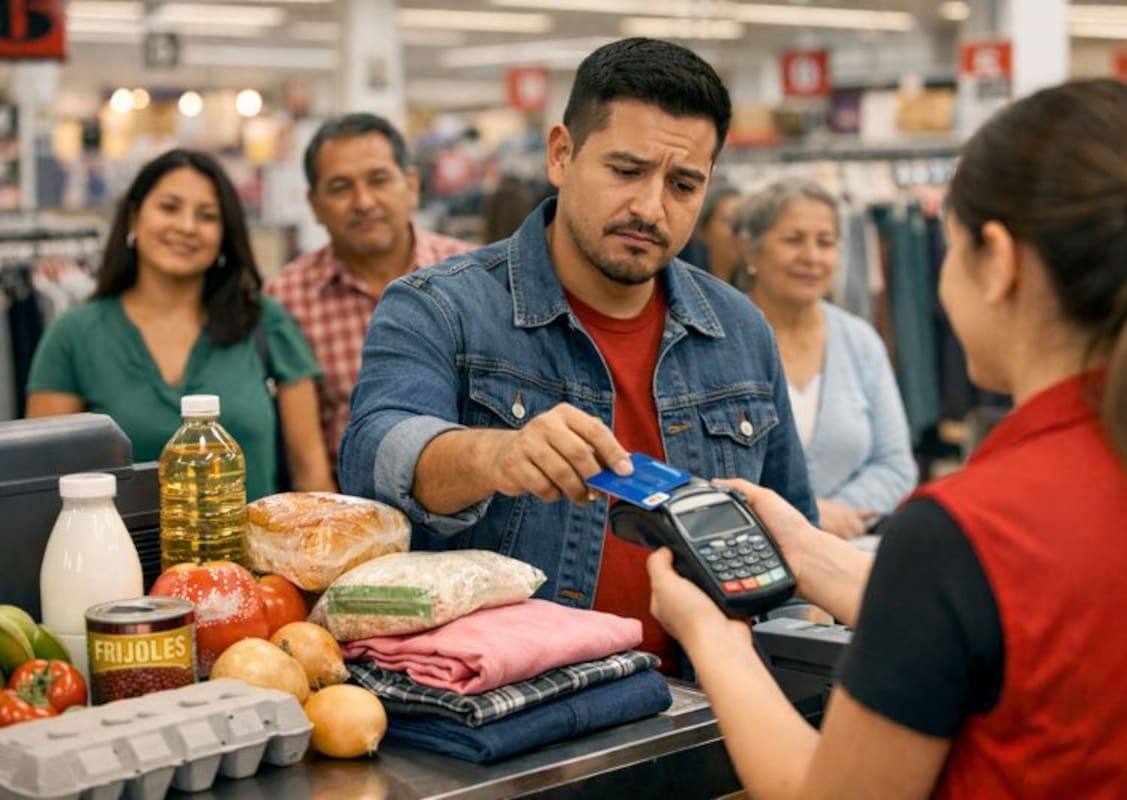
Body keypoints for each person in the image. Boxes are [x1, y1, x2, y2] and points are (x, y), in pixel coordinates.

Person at [648, 78, 1127, 798]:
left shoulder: (967, 530)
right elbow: (1008, 627)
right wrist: (809, 551)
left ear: (997, 261)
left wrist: (713, 641)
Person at [340, 38, 818, 675]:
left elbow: (791, 539)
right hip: (512, 725)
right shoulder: (438, 308)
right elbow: (377, 453)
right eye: (626, 171)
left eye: (682, 184)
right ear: (562, 154)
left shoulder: (739, 330)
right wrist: (496, 454)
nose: (651, 208)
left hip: (711, 716)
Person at [26, 148, 333, 500]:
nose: (186, 227)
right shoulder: (73, 335)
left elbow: (312, 474)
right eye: (169, 207)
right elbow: (43, 485)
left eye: (207, 216)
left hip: (251, 554)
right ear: (133, 219)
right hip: (119, 555)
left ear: (224, 235)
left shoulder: (266, 322)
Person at [264, 113, 474, 479]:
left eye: (378, 180)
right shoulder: (286, 297)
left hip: (469, 519)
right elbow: (304, 458)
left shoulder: (472, 278)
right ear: (314, 205)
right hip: (348, 519)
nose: (363, 201)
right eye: (341, 187)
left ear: (411, 186)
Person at [735, 180, 916, 538]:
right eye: (793, 240)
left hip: (843, 556)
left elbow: (896, 465)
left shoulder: (861, 341)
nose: (812, 257)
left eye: (826, 242)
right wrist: (809, 516)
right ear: (751, 252)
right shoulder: (717, 339)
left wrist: (830, 518)